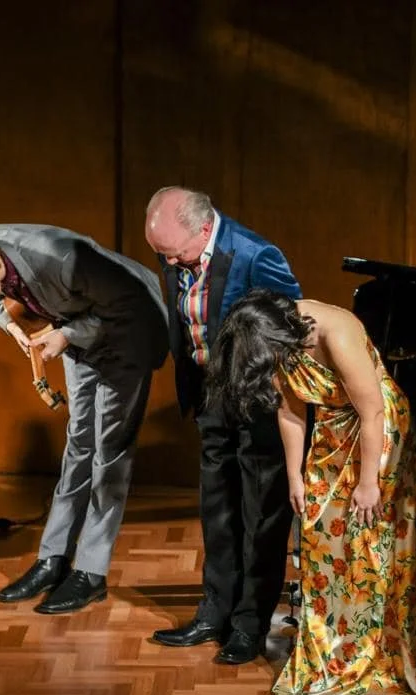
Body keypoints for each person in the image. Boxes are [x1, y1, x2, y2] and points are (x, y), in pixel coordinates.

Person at [205, 288, 416, 695]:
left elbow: (373, 410)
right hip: (333, 428)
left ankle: (374, 648)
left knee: (366, 538)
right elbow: (289, 409)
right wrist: (296, 478)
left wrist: (369, 482)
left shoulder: (334, 333)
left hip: (377, 431)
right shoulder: (269, 336)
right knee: (322, 536)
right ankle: (336, 646)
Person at [0, 225, 169, 614]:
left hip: (128, 333)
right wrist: (14, 326)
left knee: (109, 455)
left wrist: (66, 335)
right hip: (79, 333)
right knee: (78, 447)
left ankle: (90, 572)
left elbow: (131, 308)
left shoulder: (61, 257)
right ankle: (53, 559)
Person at [144, 187, 301, 665]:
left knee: (261, 516)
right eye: (162, 256)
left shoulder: (256, 255)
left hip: (256, 403)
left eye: (175, 253)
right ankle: (215, 611)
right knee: (217, 512)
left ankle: (250, 624)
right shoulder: (176, 253)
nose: (170, 264)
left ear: (204, 228)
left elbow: (289, 324)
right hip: (210, 396)